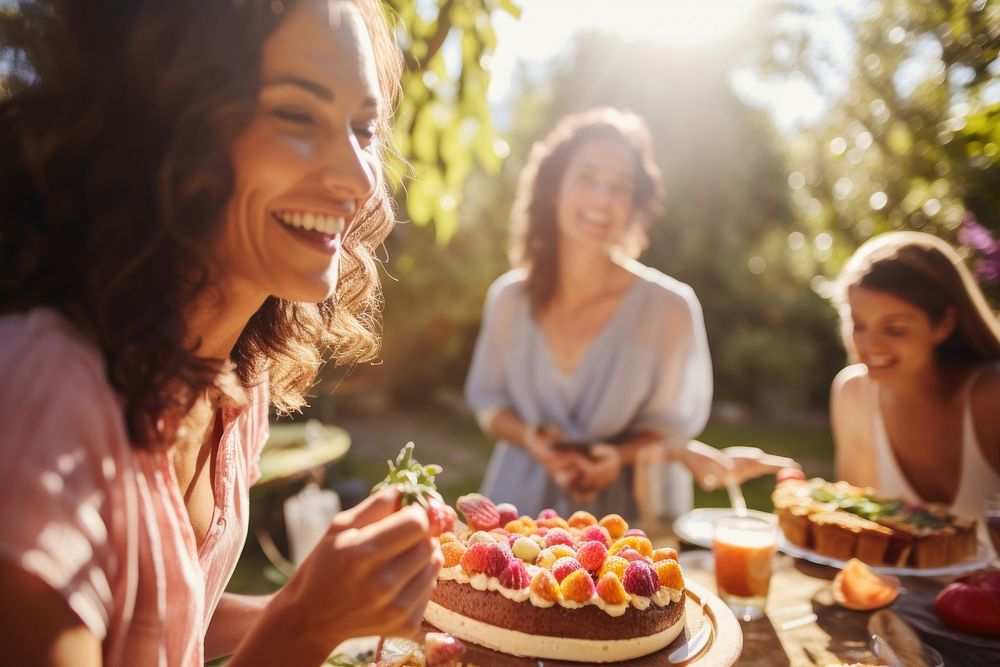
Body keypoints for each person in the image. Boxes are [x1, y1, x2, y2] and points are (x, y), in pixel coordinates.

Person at [0, 1, 442, 665]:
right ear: (163, 123)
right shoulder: (42, 392)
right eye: (297, 116)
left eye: (363, 128)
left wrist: (343, 606)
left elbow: (166, 625)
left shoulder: (239, 379)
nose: (357, 179)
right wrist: (302, 620)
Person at [464, 108, 794, 524]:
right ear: (553, 189)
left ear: (635, 204)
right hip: (518, 515)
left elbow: (672, 430)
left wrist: (617, 456)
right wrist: (532, 439)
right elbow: (490, 406)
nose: (603, 198)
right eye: (586, 178)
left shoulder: (671, 308)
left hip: (629, 524)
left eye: (620, 187)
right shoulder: (509, 299)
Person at [830, 231, 1000, 525]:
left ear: (944, 324)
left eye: (895, 329)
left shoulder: (990, 397)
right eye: (859, 326)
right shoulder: (854, 395)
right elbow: (856, 531)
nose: (871, 347)